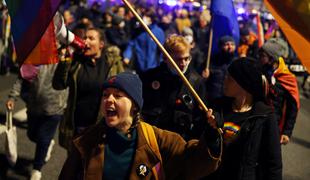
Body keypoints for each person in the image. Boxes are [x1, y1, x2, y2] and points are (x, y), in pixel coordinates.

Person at [59, 72, 222, 180]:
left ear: (135, 106)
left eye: (118, 95)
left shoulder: (157, 139)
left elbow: (194, 163)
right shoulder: (86, 140)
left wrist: (212, 137)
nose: (109, 100)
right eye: (105, 95)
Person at [208, 58, 282, 180]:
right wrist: (210, 128)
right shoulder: (217, 107)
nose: (224, 81)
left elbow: (273, 164)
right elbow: (203, 147)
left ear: (244, 86)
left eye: (230, 79)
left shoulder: (265, 116)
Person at [52, 27, 123, 151]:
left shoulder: (112, 63)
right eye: (85, 38)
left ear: (101, 44)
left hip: (102, 127)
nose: (86, 41)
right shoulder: (76, 62)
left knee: (96, 166)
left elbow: (123, 90)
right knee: (75, 166)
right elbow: (58, 85)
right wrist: (64, 62)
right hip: (78, 126)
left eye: (91, 38)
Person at [6, 64, 68, 180]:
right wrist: (12, 97)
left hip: (55, 107)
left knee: (43, 139)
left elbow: (69, 78)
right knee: (32, 135)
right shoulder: (34, 56)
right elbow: (22, 78)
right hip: (34, 106)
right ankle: (47, 143)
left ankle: (37, 169)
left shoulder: (63, 55)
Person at [141, 35, 207, 140]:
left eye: (187, 58)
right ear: (166, 58)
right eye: (178, 59)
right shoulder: (150, 77)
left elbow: (199, 119)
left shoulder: (196, 82)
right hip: (153, 138)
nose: (184, 63)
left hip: (181, 143)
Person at [258, 39, 300, 145]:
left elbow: (292, 108)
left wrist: (287, 132)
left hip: (273, 125)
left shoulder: (288, 78)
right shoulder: (260, 70)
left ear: (272, 59)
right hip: (256, 121)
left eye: (263, 55)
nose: (259, 58)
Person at [122, 8, 165, 73]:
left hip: (153, 67)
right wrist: (127, 56)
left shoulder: (158, 32)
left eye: (147, 16)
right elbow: (131, 44)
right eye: (143, 16)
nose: (144, 18)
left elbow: (162, 51)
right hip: (139, 66)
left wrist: (161, 65)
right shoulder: (138, 31)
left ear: (151, 19)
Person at [203, 36, 237, 101]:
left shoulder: (237, 63)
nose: (230, 47)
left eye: (232, 44)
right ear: (220, 46)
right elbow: (200, 82)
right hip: (213, 99)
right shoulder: (211, 61)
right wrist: (204, 77)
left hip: (230, 100)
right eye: (226, 44)